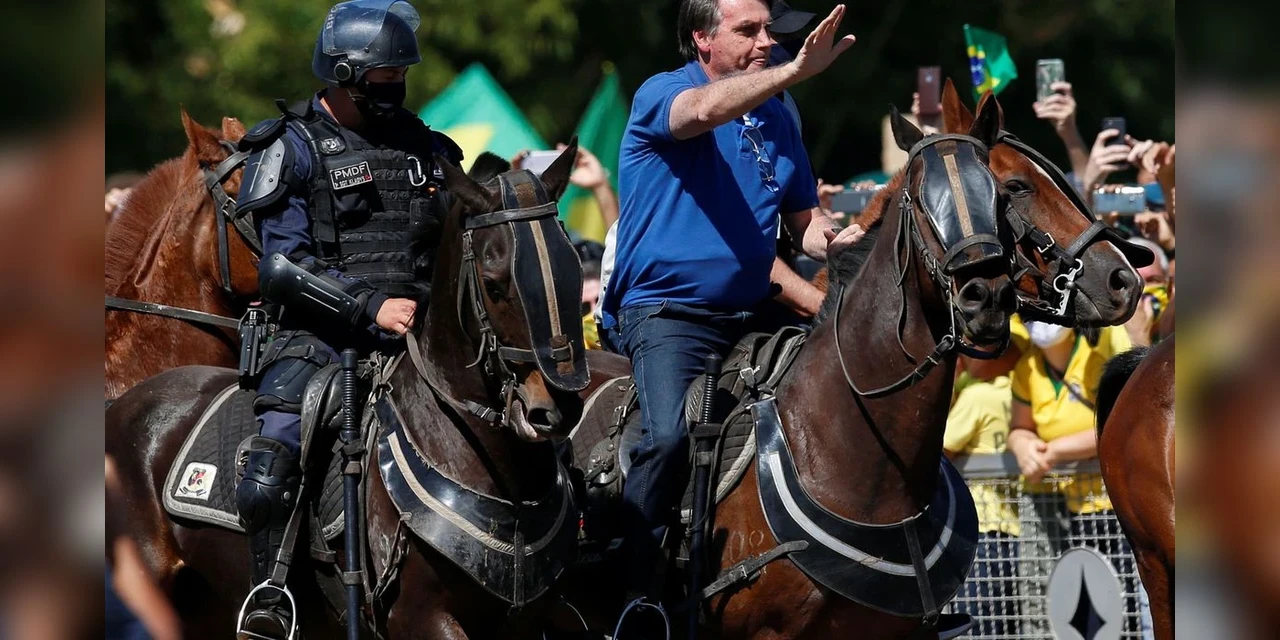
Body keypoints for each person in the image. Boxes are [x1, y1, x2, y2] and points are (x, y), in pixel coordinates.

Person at [599, 0, 865, 620]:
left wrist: (841, 238)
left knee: (851, 391)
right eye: (747, 30)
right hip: (669, 313)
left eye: (768, 29)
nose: (765, 40)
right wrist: (795, 71)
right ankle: (630, 596)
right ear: (702, 38)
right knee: (667, 436)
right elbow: (705, 111)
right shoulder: (665, 92)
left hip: (756, 311)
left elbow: (803, 223)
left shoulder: (780, 110)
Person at [230, 1, 462, 637]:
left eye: (399, 76)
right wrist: (369, 307)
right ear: (341, 74)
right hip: (316, 339)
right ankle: (271, 598)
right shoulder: (291, 147)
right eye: (381, 77)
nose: (395, 88)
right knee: (274, 460)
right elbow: (282, 268)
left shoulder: (427, 146)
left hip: (422, 337)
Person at [943, 357, 1021, 637]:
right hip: (1018, 532)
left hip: (980, 532)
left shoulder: (978, 397)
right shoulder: (1015, 393)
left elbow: (937, 455)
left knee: (980, 629)